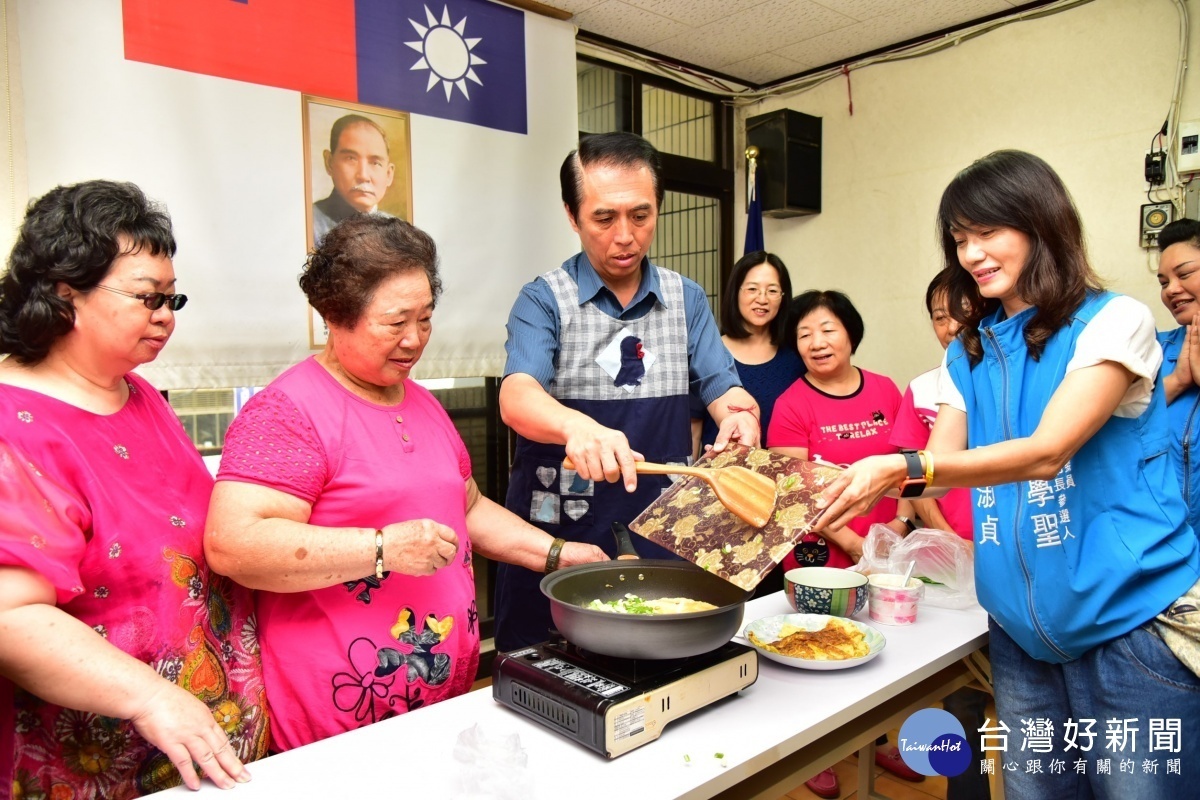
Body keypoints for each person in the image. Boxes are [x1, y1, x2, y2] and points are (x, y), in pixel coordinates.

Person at [813, 150, 1200, 800]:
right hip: (1019, 639)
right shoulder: (971, 350)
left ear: (1040, 224)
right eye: (960, 238)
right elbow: (936, 474)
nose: (971, 253)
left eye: (988, 232)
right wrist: (842, 476)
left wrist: (898, 466)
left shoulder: (1114, 321)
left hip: (1128, 632)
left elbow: (1049, 450)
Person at [205, 215, 605, 752]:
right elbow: (233, 544)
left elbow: (466, 509)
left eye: (425, 318)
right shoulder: (287, 412)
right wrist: (383, 548)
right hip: (340, 710)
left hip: (437, 695)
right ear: (335, 316)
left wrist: (557, 554)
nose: (414, 339)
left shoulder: (419, 400)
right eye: (395, 323)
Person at [0, 181, 268, 797]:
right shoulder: (16, 427)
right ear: (66, 294)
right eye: (148, 298)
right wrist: (150, 697)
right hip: (99, 760)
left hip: (199, 751)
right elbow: (13, 616)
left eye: (173, 298)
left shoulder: (137, 392)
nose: (166, 316)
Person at [493, 132, 761, 651]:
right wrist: (577, 427)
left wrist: (739, 416)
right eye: (604, 218)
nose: (625, 236)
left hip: (660, 524)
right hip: (563, 525)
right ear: (572, 216)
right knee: (545, 662)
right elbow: (517, 394)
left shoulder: (687, 298)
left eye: (641, 216)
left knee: (665, 655)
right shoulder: (543, 299)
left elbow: (721, 384)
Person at [766, 290, 920, 797]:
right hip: (824, 552)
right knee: (821, 644)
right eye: (804, 334)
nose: (816, 342)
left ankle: (876, 736)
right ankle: (817, 746)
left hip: (886, 543)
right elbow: (799, 495)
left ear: (851, 332)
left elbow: (908, 465)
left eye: (828, 330)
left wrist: (899, 524)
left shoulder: (885, 389)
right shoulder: (790, 404)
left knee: (883, 642)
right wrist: (855, 545)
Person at [889, 271, 989, 800]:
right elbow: (917, 478)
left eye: (961, 312)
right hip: (948, 558)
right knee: (961, 692)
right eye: (938, 316)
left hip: (1009, 553)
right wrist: (951, 538)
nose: (950, 327)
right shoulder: (925, 389)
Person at [691, 251, 805, 597]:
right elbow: (694, 429)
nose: (762, 299)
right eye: (752, 288)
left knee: (771, 598)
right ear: (735, 292)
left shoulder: (796, 356)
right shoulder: (710, 355)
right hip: (721, 491)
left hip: (780, 498)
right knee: (718, 594)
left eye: (773, 290)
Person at [1156, 219, 1200, 529]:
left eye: (1184, 274)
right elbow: (1112, 430)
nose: (1172, 289)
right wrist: (1177, 382)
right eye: (1162, 281)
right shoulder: (1151, 352)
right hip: (1166, 548)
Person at [311, 114, 396, 245]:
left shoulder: (398, 231)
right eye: (351, 158)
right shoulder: (310, 223)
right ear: (329, 162)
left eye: (375, 163)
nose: (363, 175)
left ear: (389, 174)